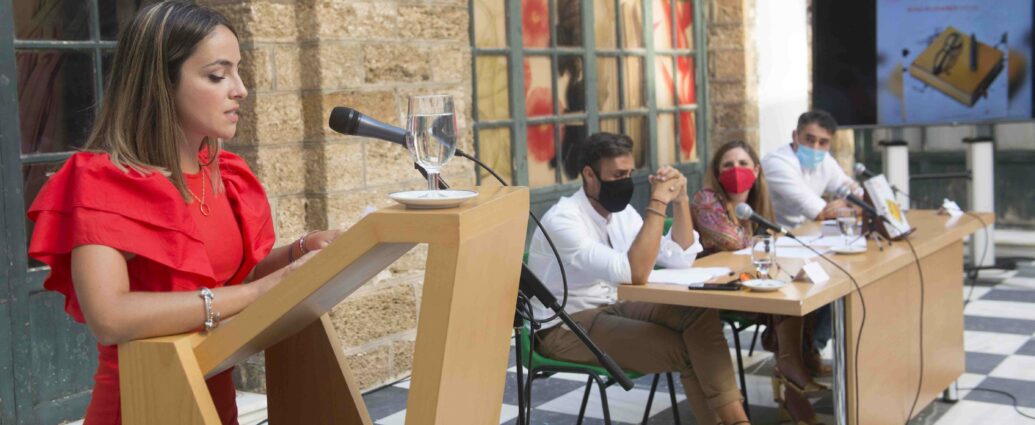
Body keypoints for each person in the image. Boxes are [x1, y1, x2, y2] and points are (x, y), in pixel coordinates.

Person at [26, 2, 340, 424]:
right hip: (144, 406)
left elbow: (227, 279)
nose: (240, 89)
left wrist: (300, 252)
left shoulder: (225, 174)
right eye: (217, 75)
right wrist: (253, 296)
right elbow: (110, 317)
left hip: (214, 405)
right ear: (161, 82)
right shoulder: (101, 181)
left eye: (238, 70)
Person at [526, 132, 751, 425]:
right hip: (565, 327)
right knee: (690, 350)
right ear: (589, 175)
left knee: (698, 313)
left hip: (614, 307)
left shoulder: (620, 214)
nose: (626, 182)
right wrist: (658, 201)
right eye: (618, 174)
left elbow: (679, 256)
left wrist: (681, 201)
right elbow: (633, 272)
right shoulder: (563, 219)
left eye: (630, 173)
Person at [690, 140, 825, 425]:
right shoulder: (706, 198)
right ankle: (792, 376)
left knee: (801, 292)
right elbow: (729, 240)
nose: (735, 170)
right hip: (713, 290)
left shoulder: (757, 202)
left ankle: (791, 375)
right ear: (717, 171)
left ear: (756, 169)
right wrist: (749, 220)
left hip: (749, 282)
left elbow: (768, 244)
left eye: (742, 164)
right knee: (784, 298)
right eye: (728, 165)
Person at [761, 110, 859, 372]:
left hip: (809, 242)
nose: (816, 147)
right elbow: (819, 211)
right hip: (776, 246)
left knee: (847, 274)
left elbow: (855, 193)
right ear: (795, 135)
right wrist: (839, 205)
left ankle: (810, 348)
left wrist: (849, 201)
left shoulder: (825, 161)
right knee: (831, 276)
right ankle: (800, 352)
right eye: (809, 139)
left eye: (823, 142)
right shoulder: (778, 163)